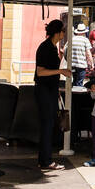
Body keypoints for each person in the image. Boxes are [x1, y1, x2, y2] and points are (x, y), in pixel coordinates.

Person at [33, 19, 72, 171]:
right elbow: (40, 72)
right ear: (57, 32)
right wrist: (61, 71)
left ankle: (43, 160)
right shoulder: (45, 48)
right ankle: (46, 161)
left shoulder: (52, 47)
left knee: (47, 125)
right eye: (63, 30)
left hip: (49, 90)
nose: (64, 33)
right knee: (47, 125)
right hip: (44, 90)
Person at [68, 22, 93, 91]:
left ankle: (72, 98)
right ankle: (77, 99)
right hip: (81, 65)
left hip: (72, 65)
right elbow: (88, 53)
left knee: (74, 81)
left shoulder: (72, 39)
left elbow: (65, 50)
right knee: (79, 83)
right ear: (84, 32)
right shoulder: (85, 40)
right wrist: (92, 63)